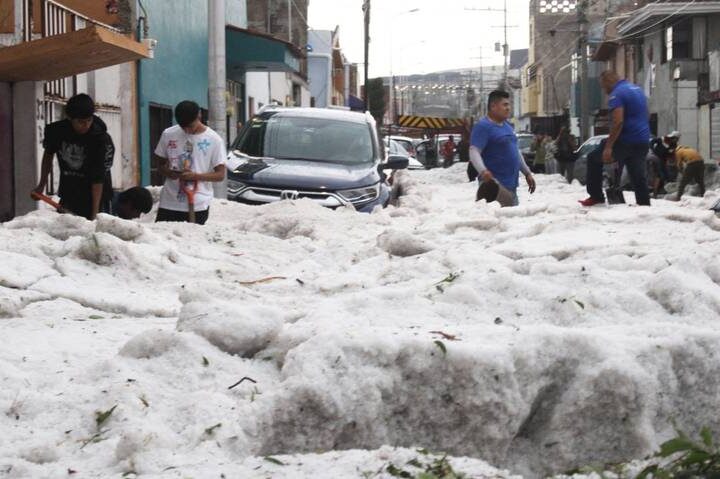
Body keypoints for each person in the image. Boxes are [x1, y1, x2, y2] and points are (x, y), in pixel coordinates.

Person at [34, 93, 115, 220]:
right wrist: (41, 185)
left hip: (97, 197)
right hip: (70, 191)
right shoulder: (57, 132)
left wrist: (94, 216)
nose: (86, 125)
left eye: (89, 120)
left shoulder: (99, 139)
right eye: (81, 122)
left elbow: (98, 178)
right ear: (70, 118)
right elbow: (48, 156)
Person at [580, 70, 651, 206]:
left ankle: (596, 196)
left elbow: (618, 121)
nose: (604, 90)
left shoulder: (617, 94)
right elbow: (646, 114)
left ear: (608, 81)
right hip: (642, 140)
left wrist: (609, 147)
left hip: (625, 140)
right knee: (637, 175)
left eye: (603, 86)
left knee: (594, 158)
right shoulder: (637, 90)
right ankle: (644, 205)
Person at [154, 100, 226, 225]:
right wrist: (169, 173)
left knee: (191, 241)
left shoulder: (214, 140)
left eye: (190, 126)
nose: (187, 130)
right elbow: (159, 165)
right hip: (169, 203)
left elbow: (220, 175)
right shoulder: (168, 134)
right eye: (183, 127)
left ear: (199, 115)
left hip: (198, 203)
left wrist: (195, 176)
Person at [469, 90, 536, 206]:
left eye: (509, 105)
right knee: (498, 223)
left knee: (511, 222)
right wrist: (483, 171)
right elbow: (474, 151)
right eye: (505, 105)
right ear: (493, 106)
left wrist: (527, 173)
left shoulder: (507, 127)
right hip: (494, 188)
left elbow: (515, 152)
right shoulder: (483, 127)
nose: (508, 108)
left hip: (511, 187)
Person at [648, 131, 679, 197]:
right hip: (656, 158)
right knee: (659, 175)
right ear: (673, 137)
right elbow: (652, 142)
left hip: (663, 160)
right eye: (676, 138)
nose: (677, 140)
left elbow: (671, 154)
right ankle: (655, 192)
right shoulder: (663, 139)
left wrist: (671, 160)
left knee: (664, 175)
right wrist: (652, 149)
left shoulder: (674, 145)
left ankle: (659, 191)